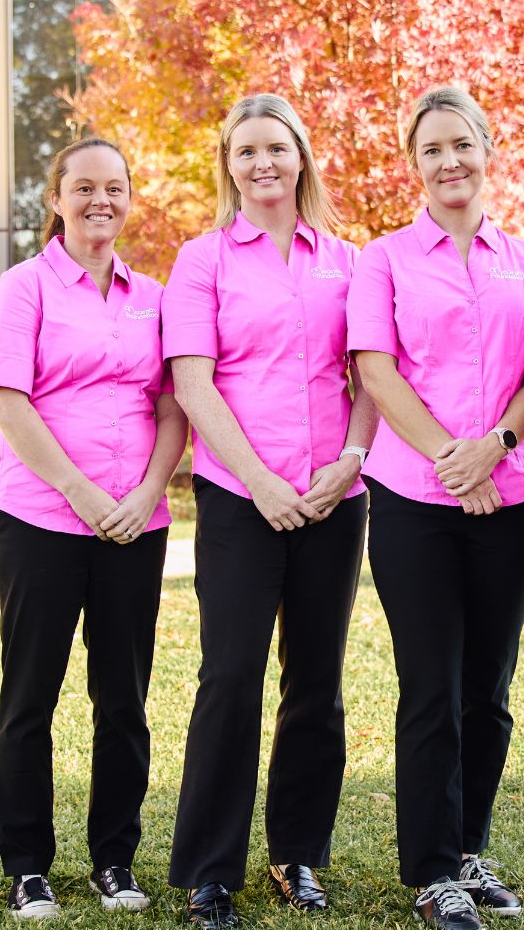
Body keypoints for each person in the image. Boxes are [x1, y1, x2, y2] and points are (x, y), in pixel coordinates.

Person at [163, 93, 379, 930]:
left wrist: (346, 466)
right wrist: (258, 480)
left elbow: (369, 377)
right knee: (231, 678)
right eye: (245, 151)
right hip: (240, 497)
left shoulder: (348, 262)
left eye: (276, 149)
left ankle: (297, 857)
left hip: (335, 498)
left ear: (301, 157)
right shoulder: (202, 260)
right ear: (229, 164)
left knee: (316, 683)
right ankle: (209, 872)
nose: (262, 164)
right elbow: (192, 383)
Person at [346, 87, 524, 930]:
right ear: (415, 165)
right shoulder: (384, 259)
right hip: (414, 501)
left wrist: (495, 447)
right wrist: (450, 457)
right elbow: (376, 368)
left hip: (511, 496)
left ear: (488, 150)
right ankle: (432, 871)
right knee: (430, 685)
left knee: (489, 688)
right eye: (432, 149)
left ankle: (470, 847)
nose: (449, 161)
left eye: (462, 144)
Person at [0, 137, 187, 920]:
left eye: (116, 188)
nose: (102, 201)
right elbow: (8, 398)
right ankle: (28, 865)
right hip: (40, 520)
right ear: (56, 199)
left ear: (130, 199)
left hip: (136, 524)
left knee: (123, 699)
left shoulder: (155, 297)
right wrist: (79, 491)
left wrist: (146, 491)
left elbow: (173, 406)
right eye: (85, 188)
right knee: (30, 696)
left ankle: (114, 860)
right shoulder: (25, 287)